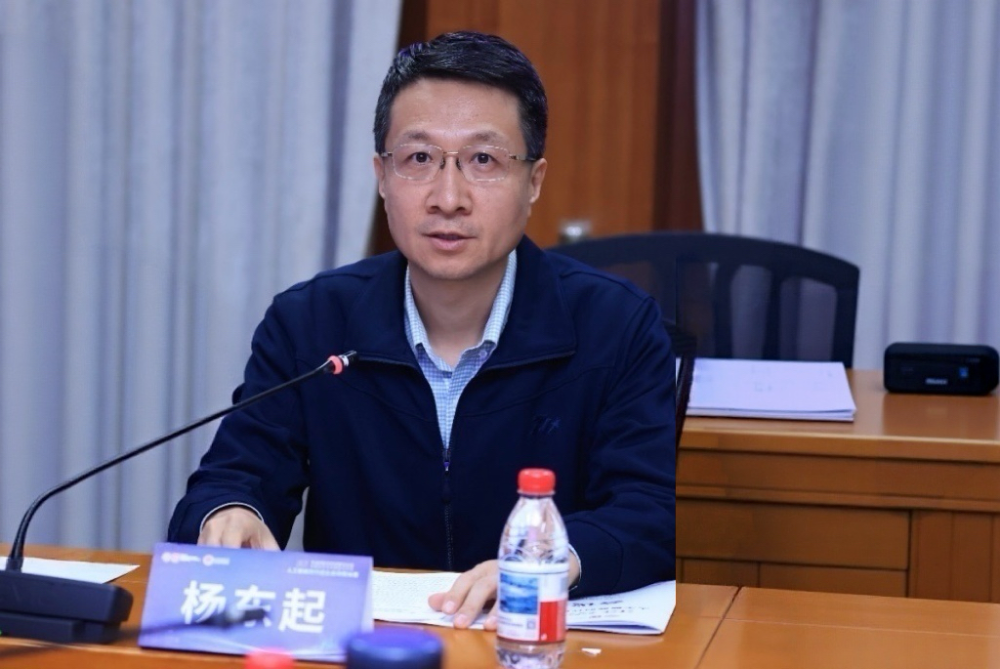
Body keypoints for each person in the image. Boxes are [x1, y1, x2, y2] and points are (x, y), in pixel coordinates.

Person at [168, 30, 676, 630]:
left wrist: (553, 560)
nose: (448, 197)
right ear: (382, 176)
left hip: (532, 643)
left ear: (534, 181)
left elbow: (647, 514)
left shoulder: (617, 325)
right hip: (362, 648)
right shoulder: (310, 322)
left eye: (483, 160)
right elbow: (235, 474)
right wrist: (228, 513)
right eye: (418, 160)